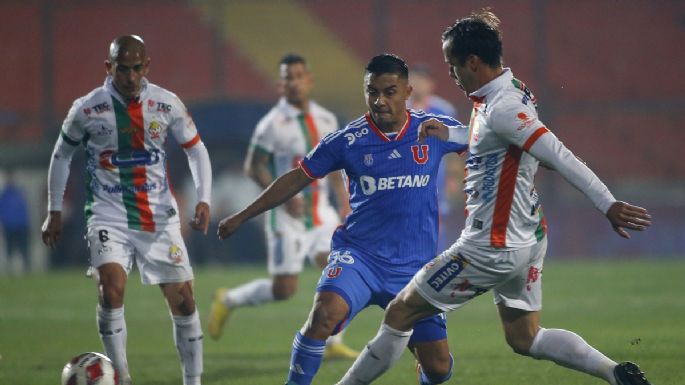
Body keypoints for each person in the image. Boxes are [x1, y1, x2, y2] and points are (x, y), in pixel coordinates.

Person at [337, 10, 653, 385]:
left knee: (399, 313)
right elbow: (500, 144)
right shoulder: (510, 89)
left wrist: (607, 204)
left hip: (491, 245)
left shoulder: (505, 107)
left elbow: (557, 154)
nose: (450, 74)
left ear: (472, 61)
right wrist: (454, 138)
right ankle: (616, 374)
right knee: (526, 337)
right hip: (529, 235)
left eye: (453, 65)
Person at [217, 53, 468, 385]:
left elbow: (483, 138)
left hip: (415, 266)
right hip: (361, 257)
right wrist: (243, 215)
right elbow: (297, 177)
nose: (379, 101)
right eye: (372, 91)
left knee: (437, 367)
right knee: (324, 314)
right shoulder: (347, 140)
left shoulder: (433, 131)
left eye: (389, 92)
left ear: (407, 92)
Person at [41, 35, 211, 385]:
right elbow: (61, 155)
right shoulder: (87, 108)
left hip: (158, 216)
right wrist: (54, 209)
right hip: (107, 214)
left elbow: (196, 150)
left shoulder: (166, 104)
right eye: (123, 69)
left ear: (146, 67)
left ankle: (193, 382)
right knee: (111, 288)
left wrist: (203, 198)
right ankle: (121, 378)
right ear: (109, 67)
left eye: (137, 69)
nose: (131, 76)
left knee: (184, 300)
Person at [206, 53, 357, 359]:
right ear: (281, 84)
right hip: (284, 219)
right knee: (284, 290)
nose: (295, 82)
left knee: (341, 271)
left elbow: (336, 166)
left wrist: (344, 203)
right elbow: (253, 166)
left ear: (309, 80)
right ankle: (230, 299)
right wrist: (283, 199)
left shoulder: (326, 119)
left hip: (320, 214)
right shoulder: (271, 124)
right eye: (288, 77)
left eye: (299, 76)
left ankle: (332, 343)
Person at [407, 64, 460, 251]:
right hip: (405, 177)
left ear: (431, 84)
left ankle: (435, 267)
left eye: (421, 80)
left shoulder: (443, 110)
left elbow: (454, 146)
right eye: (413, 79)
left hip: (435, 177)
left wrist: (453, 177)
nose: (417, 84)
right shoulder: (398, 109)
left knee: (435, 224)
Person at [0, 168, 30, 273]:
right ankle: (10, 271)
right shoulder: (4, 195)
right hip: (9, 227)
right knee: (10, 251)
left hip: (21, 226)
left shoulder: (19, 192)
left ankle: (27, 270)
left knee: (24, 250)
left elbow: (25, 209)